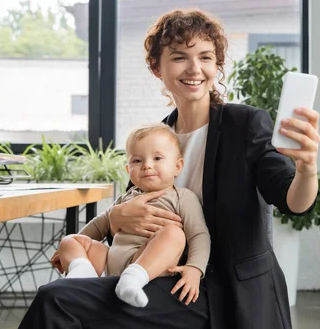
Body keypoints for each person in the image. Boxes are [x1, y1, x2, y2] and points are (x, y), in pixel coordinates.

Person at [19, 9, 320, 329]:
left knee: (58, 300)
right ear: (156, 67)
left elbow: (293, 202)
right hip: (164, 280)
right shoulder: (157, 138)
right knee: (59, 295)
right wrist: (117, 219)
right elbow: (136, 219)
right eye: (179, 57)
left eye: (205, 57)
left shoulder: (244, 123)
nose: (195, 68)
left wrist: (307, 169)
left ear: (216, 65)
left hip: (228, 292)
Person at [50, 123, 210, 308]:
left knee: (175, 234)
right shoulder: (125, 198)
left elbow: (198, 235)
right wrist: (67, 251)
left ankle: (134, 279)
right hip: (109, 262)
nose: (147, 166)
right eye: (137, 161)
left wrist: (195, 268)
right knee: (70, 240)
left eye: (157, 158)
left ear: (177, 167)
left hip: (149, 263)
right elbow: (97, 226)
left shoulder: (183, 197)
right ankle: (82, 273)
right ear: (128, 170)